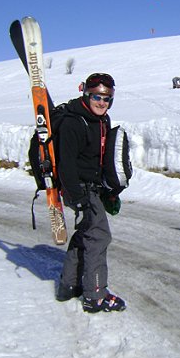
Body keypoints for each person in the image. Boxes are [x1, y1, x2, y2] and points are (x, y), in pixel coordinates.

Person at [55, 72, 126, 313]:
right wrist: (80, 200)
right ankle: (95, 295)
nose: (102, 103)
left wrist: (110, 189)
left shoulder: (101, 120)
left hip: (93, 187)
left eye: (107, 99)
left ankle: (68, 285)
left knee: (85, 233)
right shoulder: (73, 123)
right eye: (97, 97)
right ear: (86, 94)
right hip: (79, 189)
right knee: (99, 236)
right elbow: (66, 165)